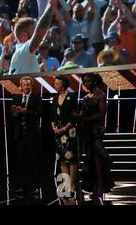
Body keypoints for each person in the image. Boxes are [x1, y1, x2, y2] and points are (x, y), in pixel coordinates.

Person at [79, 73, 114, 205]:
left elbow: (101, 114)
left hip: (95, 130)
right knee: (91, 159)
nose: (86, 83)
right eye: (85, 81)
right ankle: (94, 187)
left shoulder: (101, 95)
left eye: (88, 81)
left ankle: (100, 187)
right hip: (86, 130)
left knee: (98, 158)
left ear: (95, 81)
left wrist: (85, 118)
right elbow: (83, 113)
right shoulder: (86, 97)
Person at [9, 0, 60, 74]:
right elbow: (39, 32)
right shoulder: (22, 51)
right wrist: (51, 4)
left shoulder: (23, 54)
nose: (36, 33)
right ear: (25, 35)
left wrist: (50, 3)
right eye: (34, 30)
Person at [10, 77, 43, 198]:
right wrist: (15, 113)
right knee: (21, 161)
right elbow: (12, 117)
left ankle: (35, 186)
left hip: (33, 134)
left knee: (34, 160)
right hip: (20, 134)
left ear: (31, 86)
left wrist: (26, 111)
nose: (27, 87)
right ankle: (21, 186)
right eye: (24, 85)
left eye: (29, 85)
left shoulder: (36, 98)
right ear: (21, 86)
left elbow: (39, 114)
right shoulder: (16, 98)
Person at [51, 76, 78, 204]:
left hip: (70, 132)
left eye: (57, 83)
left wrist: (64, 129)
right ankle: (66, 185)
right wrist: (55, 128)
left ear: (63, 86)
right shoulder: (55, 99)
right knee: (62, 159)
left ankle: (72, 186)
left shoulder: (71, 97)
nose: (55, 85)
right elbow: (52, 117)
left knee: (71, 159)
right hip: (58, 134)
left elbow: (74, 117)